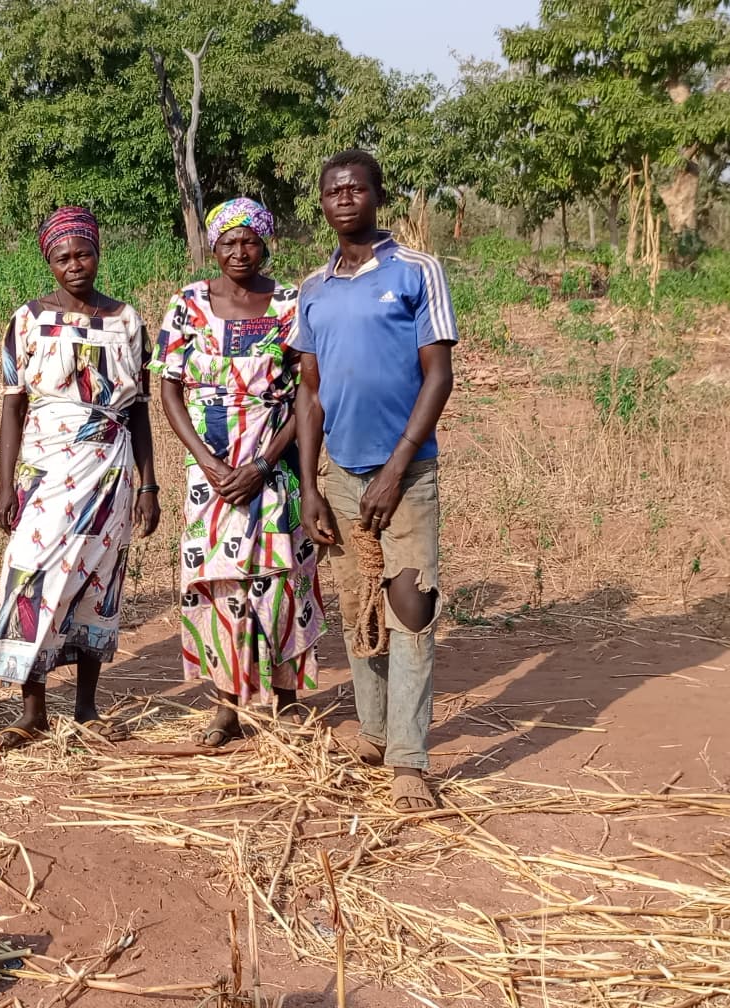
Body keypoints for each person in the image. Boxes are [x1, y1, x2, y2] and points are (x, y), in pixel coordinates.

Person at [294, 150, 457, 812]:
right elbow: (310, 396)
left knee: (411, 607)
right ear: (323, 202)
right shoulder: (314, 288)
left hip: (405, 474)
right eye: (333, 190)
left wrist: (395, 469)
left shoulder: (417, 271)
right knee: (360, 603)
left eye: (356, 188)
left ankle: (410, 760)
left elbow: (438, 375)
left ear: (377, 196)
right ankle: (374, 731)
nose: (344, 198)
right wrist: (309, 484)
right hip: (339, 476)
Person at [0, 206, 161, 749]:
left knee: (99, 579)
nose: (74, 265)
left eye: (83, 252)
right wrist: (4, 483)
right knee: (29, 578)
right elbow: (13, 407)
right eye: (62, 257)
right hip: (45, 469)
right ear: (49, 261)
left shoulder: (128, 320)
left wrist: (149, 485)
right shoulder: (26, 320)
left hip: (109, 470)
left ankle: (86, 707)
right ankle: (31, 710)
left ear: (98, 252)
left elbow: (138, 410)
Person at [153, 198, 324, 748]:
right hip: (211, 471)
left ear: (265, 244)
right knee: (220, 580)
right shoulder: (188, 305)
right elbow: (169, 387)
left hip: (274, 466)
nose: (239, 251)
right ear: (213, 246)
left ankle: (288, 697)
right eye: (228, 242)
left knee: (281, 578)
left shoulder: (292, 304)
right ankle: (227, 703)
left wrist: (262, 463)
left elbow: (306, 395)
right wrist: (209, 461)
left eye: (250, 240)